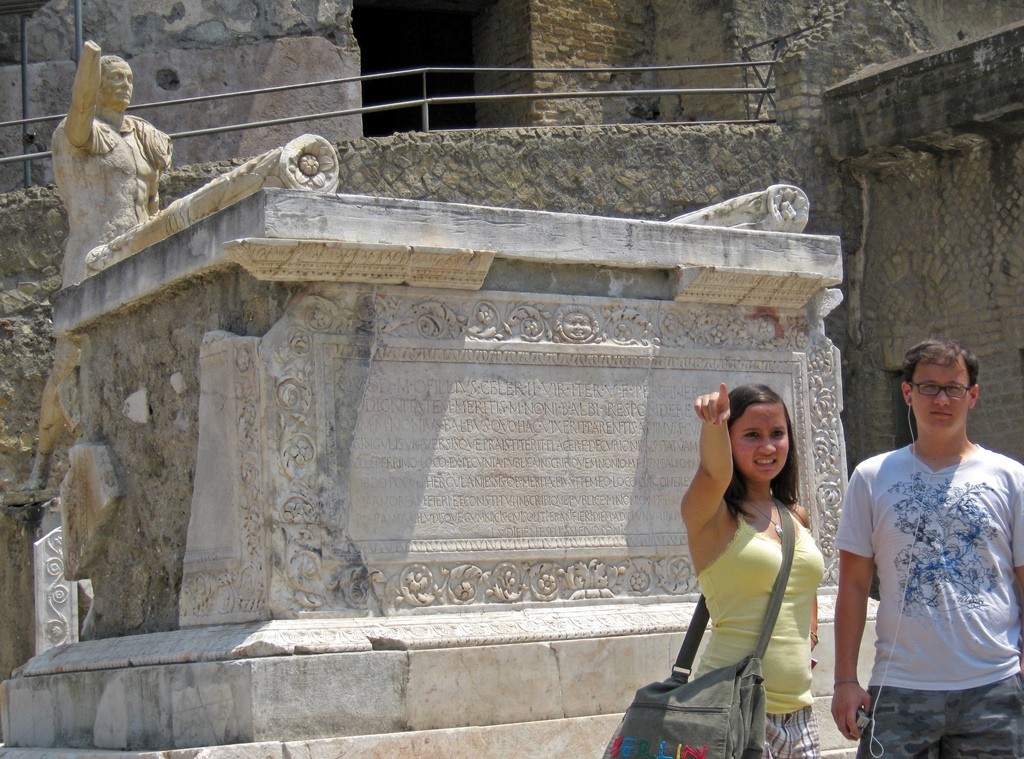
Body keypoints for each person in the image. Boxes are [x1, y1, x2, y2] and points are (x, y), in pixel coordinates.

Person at [831, 338, 1024, 757]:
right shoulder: (871, 476)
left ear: (973, 395)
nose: (942, 399)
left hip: (994, 684)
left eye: (954, 388)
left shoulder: (1011, 478)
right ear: (907, 393)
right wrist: (845, 680)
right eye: (928, 387)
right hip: (902, 686)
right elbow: (853, 585)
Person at [18, 41, 172, 492]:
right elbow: (80, 108)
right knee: (69, 362)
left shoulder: (143, 137)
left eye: (128, 78)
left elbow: (152, 201)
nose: (123, 86)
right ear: (97, 85)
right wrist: (89, 59)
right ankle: (41, 465)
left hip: (139, 256)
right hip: (90, 259)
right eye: (113, 79)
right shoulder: (76, 133)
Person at [682, 382, 824, 758]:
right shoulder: (713, 518)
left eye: (777, 434)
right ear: (729, 441)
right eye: (751, 435)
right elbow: (714, 475)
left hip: (800, 714)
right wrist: (714, 422)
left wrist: (809, 639)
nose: (767, 446)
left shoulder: (796, 516)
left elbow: (802, 586)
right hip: (734, 710)